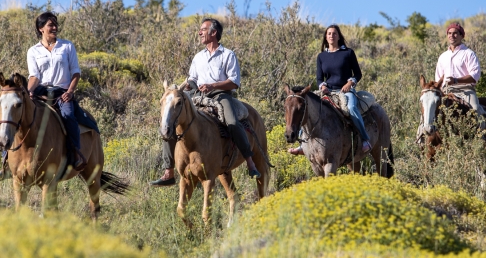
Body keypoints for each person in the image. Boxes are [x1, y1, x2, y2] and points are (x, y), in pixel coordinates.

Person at [150, 18, 261, 186]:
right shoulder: (198, 57)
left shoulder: (227, 55)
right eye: (200, 29)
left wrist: (212, 85)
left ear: (213, 33)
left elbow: (234, 82)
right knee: (173, 119)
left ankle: (250, 161)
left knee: (231, 121)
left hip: (221, 95)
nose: (199, 32)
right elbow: (192, 79)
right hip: (197, 94)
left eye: (203, 29)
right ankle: (169, 171)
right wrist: (182, 87)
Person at [0, 11, 85, 180]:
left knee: (69, 116)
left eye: (55, 24)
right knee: (16, 115)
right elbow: (35, 76)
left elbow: (75, 73)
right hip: (41, 91)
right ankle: (5, 161)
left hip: (62, 93)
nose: (54, 27)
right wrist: (28, 91)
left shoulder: (67, 47)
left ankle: (75, 155)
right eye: (50, 25)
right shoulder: (33, 51)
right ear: (41, 28)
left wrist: (70, 92)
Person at [288, 24, 371, 155]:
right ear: (326, 37)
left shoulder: (348, 53)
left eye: (334, 33)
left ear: (339, 36)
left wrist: (350, 82)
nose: (331, 35)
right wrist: (323, 86)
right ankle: (302, 144)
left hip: (345, 91)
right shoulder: (321, 56)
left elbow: (358, 74)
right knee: (307, 107)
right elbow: (319, 78)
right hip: (328, 92)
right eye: (329, 34)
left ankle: (365, 139)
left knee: (351, 108)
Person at [435, 22, 486, 128]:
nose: (452, 36)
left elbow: (475, 75)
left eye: (455, 33)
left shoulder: (468, 53)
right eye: (449, 33)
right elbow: (438, 78)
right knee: (430, 108)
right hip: (446, 91)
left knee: (474, 110)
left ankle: (480, 138)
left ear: (461, 36)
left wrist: (456, 80)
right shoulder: (443, 56)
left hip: (465, 91)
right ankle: (421, 137)